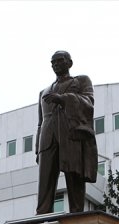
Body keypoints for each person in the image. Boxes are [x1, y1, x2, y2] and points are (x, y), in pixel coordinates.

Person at [35, 50, 97, 215]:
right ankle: (42, 214)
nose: (55, 64)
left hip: (71, 135)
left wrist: (63, 99)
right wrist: (37, 148)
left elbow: (89, 102)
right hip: (47, 139)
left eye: (59, 60)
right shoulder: (44, 92)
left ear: (69, 63)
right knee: (45, 180)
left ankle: (77, 215)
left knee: (74, 175)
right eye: (53, 62)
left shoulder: (81, 81)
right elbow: (40, 122)